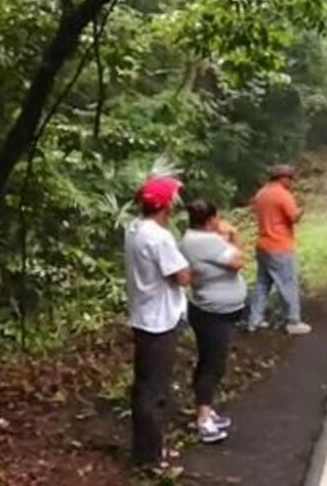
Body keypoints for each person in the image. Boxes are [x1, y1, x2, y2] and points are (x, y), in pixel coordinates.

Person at [124, 176, 191, 469]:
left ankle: (148, 450)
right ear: (167, 205)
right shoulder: (160, 238)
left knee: (145, 387)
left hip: (144, 316)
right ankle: (149, 458)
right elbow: (181, 276)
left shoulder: (134, 228)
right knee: (154, 391)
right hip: (160, 322)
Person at [180, 199, 246, 444]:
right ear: (211, 220)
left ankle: (204, 408)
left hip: (206, 307)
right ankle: (203, 419)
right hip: (214, 312)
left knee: (207, 360)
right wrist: (232, 236)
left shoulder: (188, 239)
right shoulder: (208, 242)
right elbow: (238, 262)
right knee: (213, 365)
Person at [248, 165, 312, 335]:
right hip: (280, 246)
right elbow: (293, 217)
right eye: (290, 178)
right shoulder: (283, 194)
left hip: (262, 244)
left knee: (262, 284)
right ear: (283, 178)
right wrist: (302, 210)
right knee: (288, 283)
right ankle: (293, 321)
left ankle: (254, 320)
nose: (291, 182)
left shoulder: (261, 193)